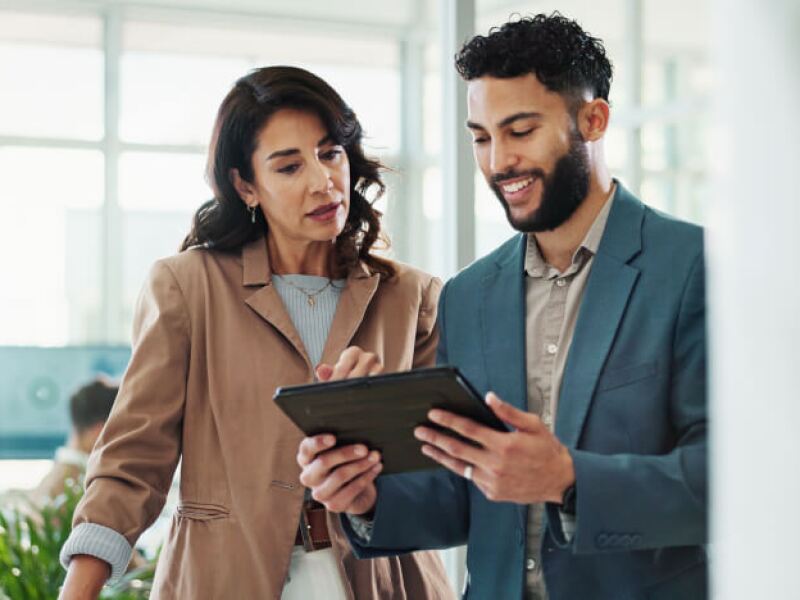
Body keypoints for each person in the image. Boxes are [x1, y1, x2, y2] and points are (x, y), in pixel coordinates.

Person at [298, 14, 707, 600]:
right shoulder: (469, 295)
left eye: (520, 130)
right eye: (482, 137)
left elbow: (735, 477)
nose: (498, 163)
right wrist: (365, 497)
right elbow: (463, 493)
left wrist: (569, 480)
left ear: (593, 120)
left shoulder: (694, 268)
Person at [58, 66, 453, 599]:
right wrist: (79, 589)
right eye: (288, 167)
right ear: (246, 185)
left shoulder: (413, 297)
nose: (322, 181)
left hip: (382, 581)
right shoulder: (188, 287)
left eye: (330, 152)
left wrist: (375, 443)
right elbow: (134, 458)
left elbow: (434, 477)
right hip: (223, 579)